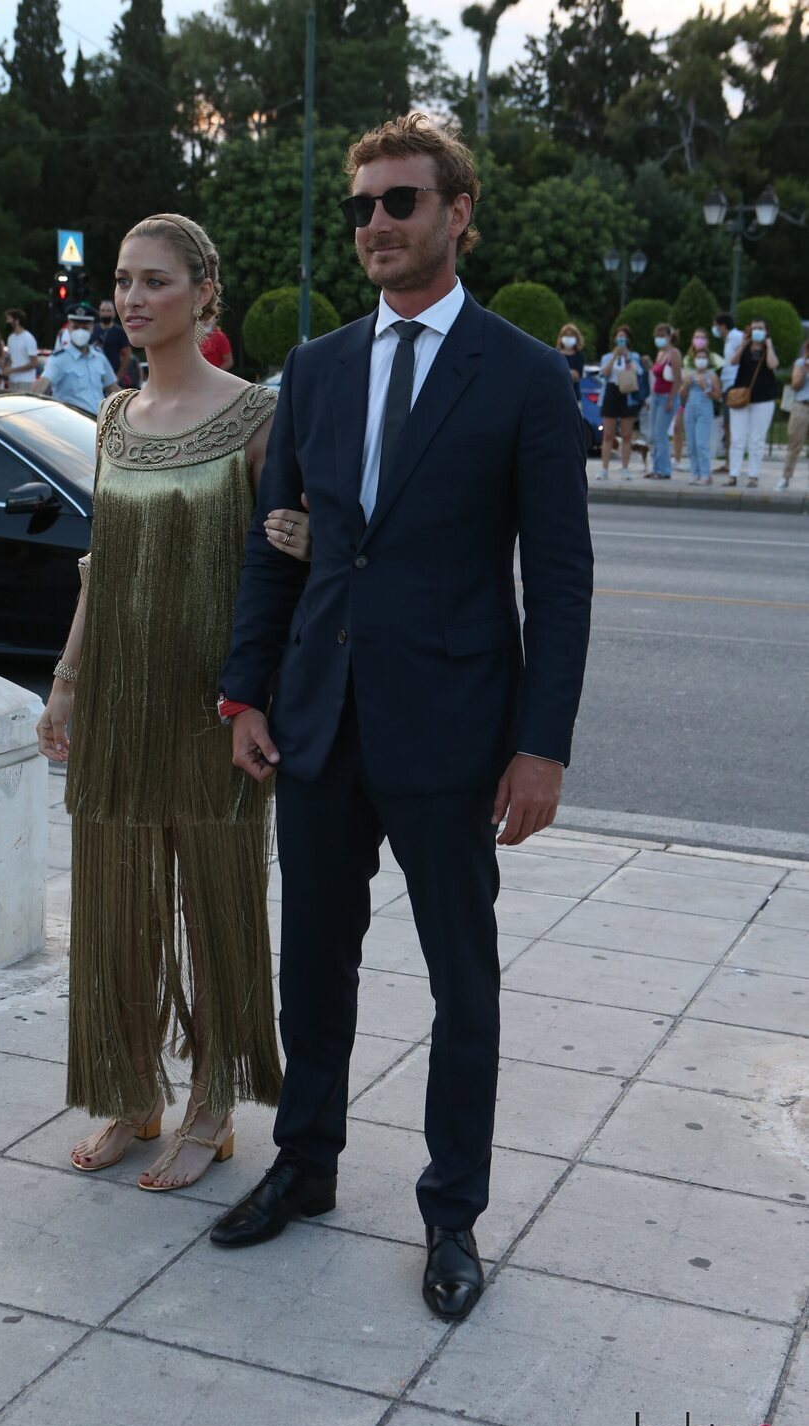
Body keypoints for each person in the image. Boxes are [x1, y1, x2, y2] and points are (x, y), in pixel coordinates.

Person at [209, 113, 593, 1323]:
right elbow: (277, 556)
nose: (376, 223)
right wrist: (243, 692)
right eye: (363, 206)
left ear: (456, 214)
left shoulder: (524, 376)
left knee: (458, 981)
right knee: (310, 963)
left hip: (452, 733)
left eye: (400, 203)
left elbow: (561, 579)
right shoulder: (315, 371)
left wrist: (541, 746)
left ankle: (450, 1214)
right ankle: (306, 1162)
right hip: (318, 720)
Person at [36, 213, 310, 1189]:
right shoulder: (111, 417)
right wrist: (67, 682)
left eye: (155, 280)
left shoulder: (255, 415)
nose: (132, 298)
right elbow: (101, 563)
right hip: (116, 692)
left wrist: (261, 694)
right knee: (117, 900)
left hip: (213, 703)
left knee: (212, 902)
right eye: (122, 280)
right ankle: (129, 1093)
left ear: (203, 290)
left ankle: (212, 1105)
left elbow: (277, 566)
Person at [33, 302, 118, 412]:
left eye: (85, 328)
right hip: (74, 424)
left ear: (92, 328)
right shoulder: (59, 359)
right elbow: (43, 384)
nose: (80, 332)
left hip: (99, 423)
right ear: (68, 328)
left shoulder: (99, 357)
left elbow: (113, 389)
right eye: (76, 327)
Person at [727, 317, 779, 487]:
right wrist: (743, 344)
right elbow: (733, 361)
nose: (757, 331)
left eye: (760, 328)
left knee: (757, 439)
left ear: (766, 331)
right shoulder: (745, 348)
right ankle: (733, 473)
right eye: (754, 328)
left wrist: (769, 345)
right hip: (741, 397)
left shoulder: (768, 349)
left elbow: (773, 365)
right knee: (737, 438)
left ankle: (753, 475)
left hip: (763, 399)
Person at [597, 324, 642, 481]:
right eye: (619, 336)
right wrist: (615, 356)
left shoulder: (634, 356)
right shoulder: (608, 357)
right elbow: (604, 374)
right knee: (608, 434)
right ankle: (604, 469)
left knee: (626, 434)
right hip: (611, 392)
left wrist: (627, 357)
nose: (621, 339)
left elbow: (638, 373)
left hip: (627, 393)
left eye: (624, 337)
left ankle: (625, 467)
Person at [679, 330, 721, 485]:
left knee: (701, 443)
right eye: (699, 357)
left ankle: (705, 474)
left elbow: (718, 396)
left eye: (704, 358)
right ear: (694, 359)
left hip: (705, 407)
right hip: (690, 407)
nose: (701, 360)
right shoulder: (689, 374)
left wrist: (707, 388)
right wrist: (685, 385)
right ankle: (695, 473)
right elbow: (682, 396)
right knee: (690, 443)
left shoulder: (712, 375)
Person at [646, 322, 681, 480]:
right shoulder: (660, 354)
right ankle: (656, 467)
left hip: (667, 396)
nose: (659, 339)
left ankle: (664, 469)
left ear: (669, 337)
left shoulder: (674, 354)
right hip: (656, 396)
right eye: (657, 336)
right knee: (653, 434)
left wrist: (671, 399)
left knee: (661, 434)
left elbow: (677, 379)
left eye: (662, 336)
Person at [712, 311, 745, 472]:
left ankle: (732, 463)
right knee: (727, 425)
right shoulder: (729, 340)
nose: (715, 329)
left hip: (734, 385)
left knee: (731, 425)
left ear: (723, 326)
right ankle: (729, 462)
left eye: (716, 326)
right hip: (727, 384)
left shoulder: (737, 337)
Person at [776, 340, 809, 490]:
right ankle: (785, 477)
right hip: (802, 406)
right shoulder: (801, 363)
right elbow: (796, 384)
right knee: (794, 444)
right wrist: (805, 370)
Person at [92, 298, 138, 385]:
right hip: (95, 378)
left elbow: (127, 356)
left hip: (114, 376)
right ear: (99, 313)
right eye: (103, 310)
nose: (105, 313)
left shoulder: (119, 332)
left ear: (113, 314)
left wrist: (117, 377)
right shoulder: (93, 330)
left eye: (108, 310)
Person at [3, 308, 39, 387]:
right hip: (13, 381)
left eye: (9, 319)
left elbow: (34, 363)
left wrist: (14, 370)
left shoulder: (28, 338)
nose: (7, 322)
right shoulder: (10, 338)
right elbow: (11, 358)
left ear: (17, 321)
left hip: (26, 381)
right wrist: (7, 369)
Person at [556, 322, 584, 401]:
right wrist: (570, 371)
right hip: (557, 395)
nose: (568, 338)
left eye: (571, 335)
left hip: (574, 396)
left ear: (576, 338)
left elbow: (577, 376)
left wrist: (561, 370)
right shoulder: (555, 353)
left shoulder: (579, 355)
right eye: (566, 335)